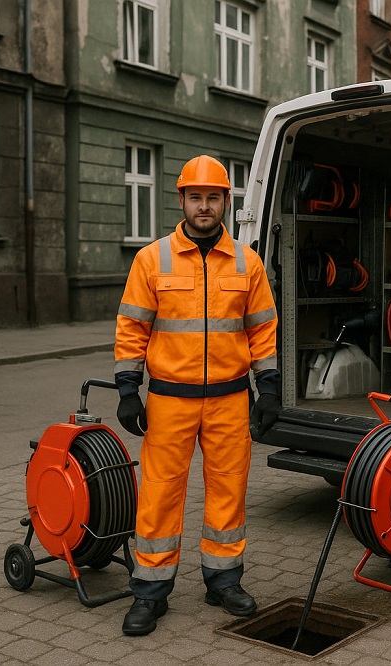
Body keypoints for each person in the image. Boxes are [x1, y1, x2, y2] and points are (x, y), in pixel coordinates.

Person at [114, 154, 280, 636]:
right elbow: (132, 327)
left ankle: (224, 581)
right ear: (182, 201)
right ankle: (150, 591)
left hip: (230, 399)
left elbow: (262, 330)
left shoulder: (248, 262)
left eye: (212, 197)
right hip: (170, 400)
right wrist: (128, 389)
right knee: (159, 494)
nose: (203, 206)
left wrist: (268, 390)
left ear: (226, 201)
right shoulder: (152, 259)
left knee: (229, 491)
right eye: (195, 197)